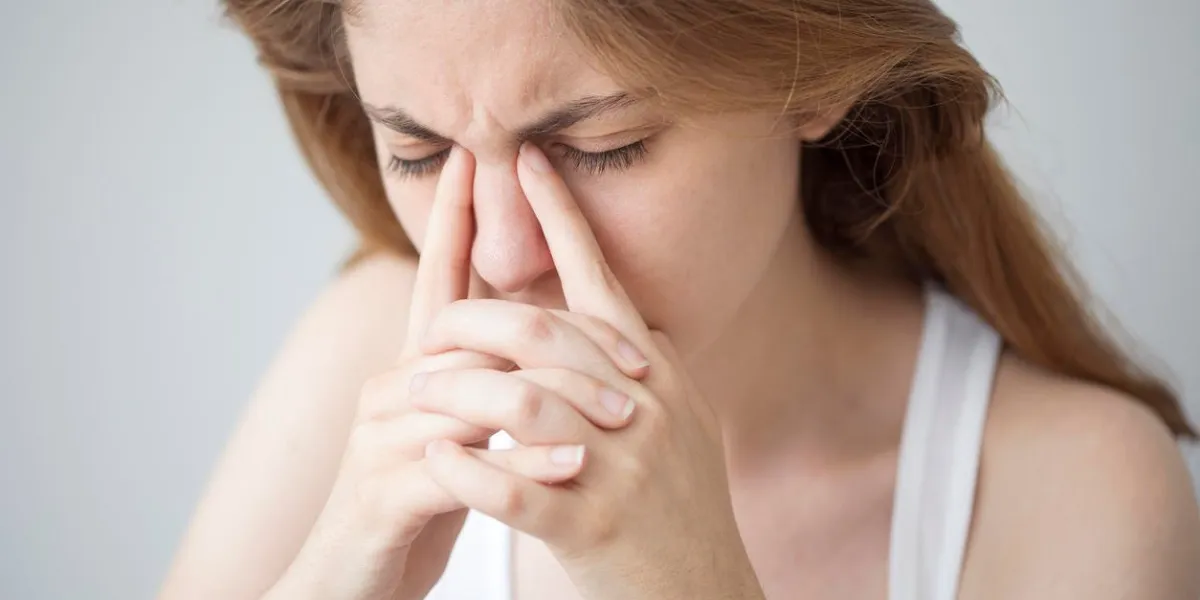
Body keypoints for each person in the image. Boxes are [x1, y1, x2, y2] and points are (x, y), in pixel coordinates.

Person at [159, 1, 1200, 599]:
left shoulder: (1072, 489)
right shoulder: (364, 355)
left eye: (599, 147)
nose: (507, 258)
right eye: (420, 153)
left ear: (808, 72)